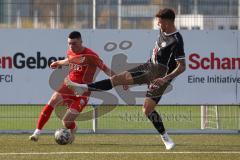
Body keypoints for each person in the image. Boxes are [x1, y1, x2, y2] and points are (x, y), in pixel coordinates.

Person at [66, 8, 186, 150]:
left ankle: (166, 138)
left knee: (147, 110)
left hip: (159, 75)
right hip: (148, 67)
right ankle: (84, 87)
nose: (157, 25)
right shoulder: (162, 31)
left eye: (159, 22)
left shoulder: (176, 40)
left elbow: (182, 66)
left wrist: (165, 79)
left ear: (166, 22)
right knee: (117, 78)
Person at [29, 31, 117, 142]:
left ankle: (73, 128)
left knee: (66, 122)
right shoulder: (70, 51)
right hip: (69, 86)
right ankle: (36, 133)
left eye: (74, 43)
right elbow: (69, 60)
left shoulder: (91, 56)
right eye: (69, 43)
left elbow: (105, 68)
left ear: (81, 42)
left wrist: (119, 80)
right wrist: (58, 63)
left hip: (83, 91)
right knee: (53, 100)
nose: (71, 46)